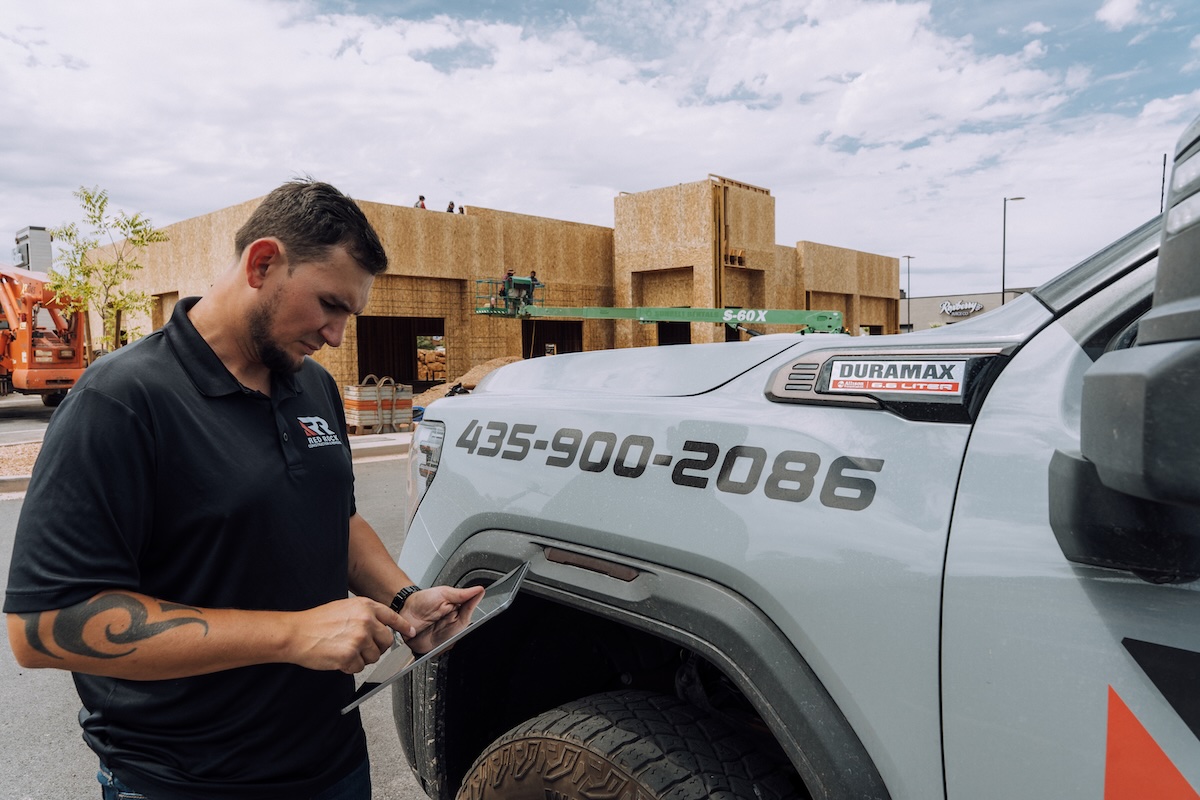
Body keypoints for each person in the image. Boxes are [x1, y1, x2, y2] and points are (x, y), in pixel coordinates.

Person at [3, 179, 484, 800]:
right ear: (262, 263)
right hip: (184, 782)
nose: (338, 334)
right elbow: (43, 625)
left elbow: (333, 521)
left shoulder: (313, 387)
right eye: (329, 304)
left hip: (332, 763)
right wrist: (292, 634)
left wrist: (406, 598)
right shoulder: (121, 400)